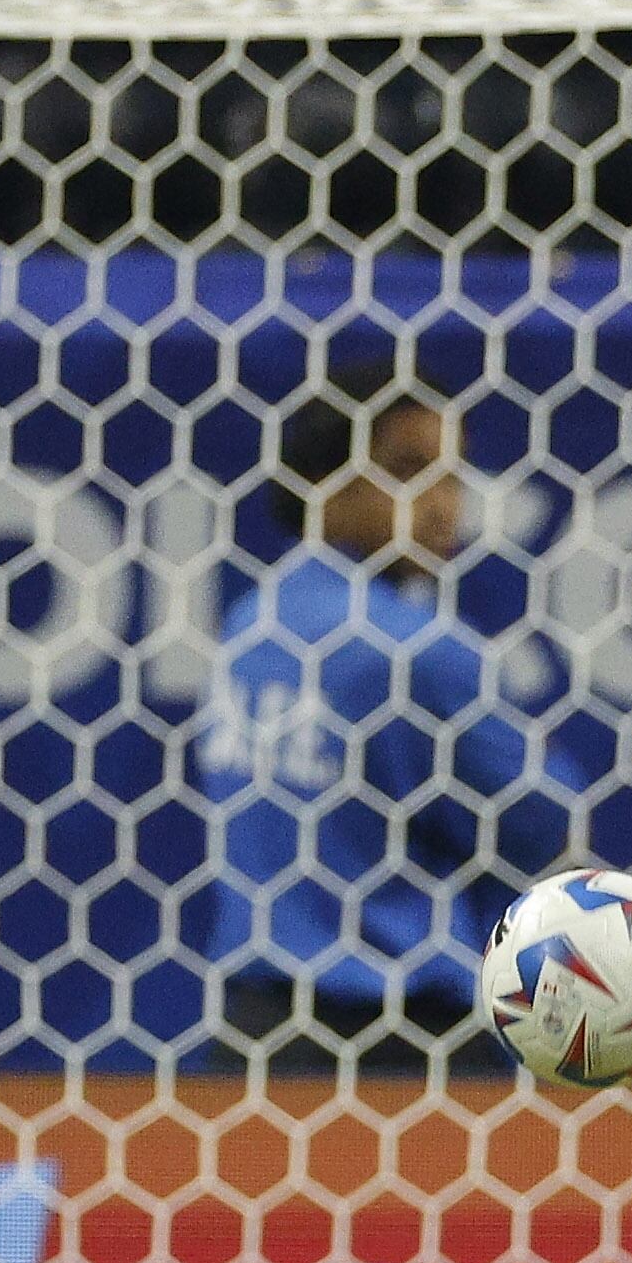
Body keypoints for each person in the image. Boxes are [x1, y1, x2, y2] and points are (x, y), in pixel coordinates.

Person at [193, 360, 590, 1081]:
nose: (441, 504)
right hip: (396, 1047)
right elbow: (540, 822)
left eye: (452, 473)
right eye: (408, 469)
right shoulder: (423, 651)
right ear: (323, 483)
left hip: (252, 1034)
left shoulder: (251, 620)